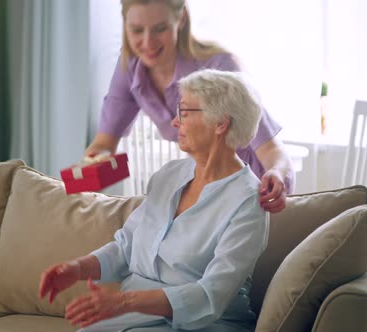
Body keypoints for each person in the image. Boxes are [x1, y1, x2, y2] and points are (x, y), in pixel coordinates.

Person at [39, 69, 269, 331]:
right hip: (133, 314)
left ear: (220, 123)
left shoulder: (249, 200)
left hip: (204, 323)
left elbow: (212, 295)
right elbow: (126, 245)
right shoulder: (169, 175)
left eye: (183, 112)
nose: (174, 122)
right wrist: (77, 269)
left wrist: (125, 301)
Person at [86, 0, 294, 213]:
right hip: (208, 184)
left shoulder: (220, 67)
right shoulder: (130, 68)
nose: (147, 42)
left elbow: (271, 150)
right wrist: (77, 190)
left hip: (257, 187)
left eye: (160, 28)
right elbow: (105, 147)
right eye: (137, 30)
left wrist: (276, 175)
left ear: (181, 19)